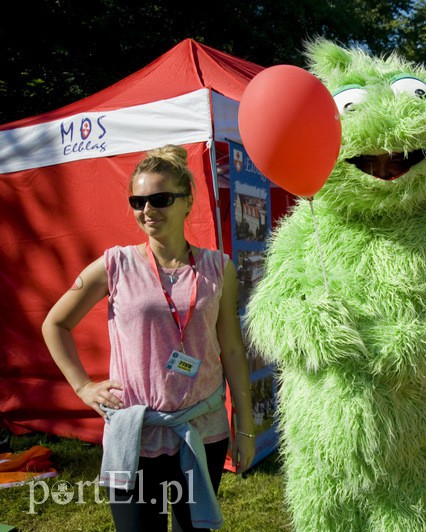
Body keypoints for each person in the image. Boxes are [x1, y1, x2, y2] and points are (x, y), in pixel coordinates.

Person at [42, 145, 255, 531]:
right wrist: (83, 386)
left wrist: (245, 427)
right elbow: (55, 324)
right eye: (138, 201)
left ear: (187, 202)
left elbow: (232, 348)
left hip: (202, 430)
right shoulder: (115, 265)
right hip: (134, 436)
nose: (147, 210)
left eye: (160, 199)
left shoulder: (217, 268)